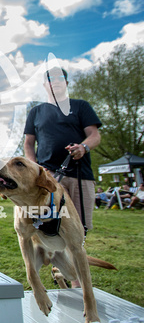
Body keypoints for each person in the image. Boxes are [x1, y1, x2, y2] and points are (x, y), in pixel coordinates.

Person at [24, 67, 101, 287]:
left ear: (66, 82)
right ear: (44, 84)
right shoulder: (36, 112)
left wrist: (84, 147)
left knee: (77, 232)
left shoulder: (80, 106)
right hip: (48, 179)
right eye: (50, 78)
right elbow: (29, 143)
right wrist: (36, 169)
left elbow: (94, 135)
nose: (55, 81)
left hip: (79, 175)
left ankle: (75, 284)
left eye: (60, 78)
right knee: (47, 227)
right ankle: (64, 270)